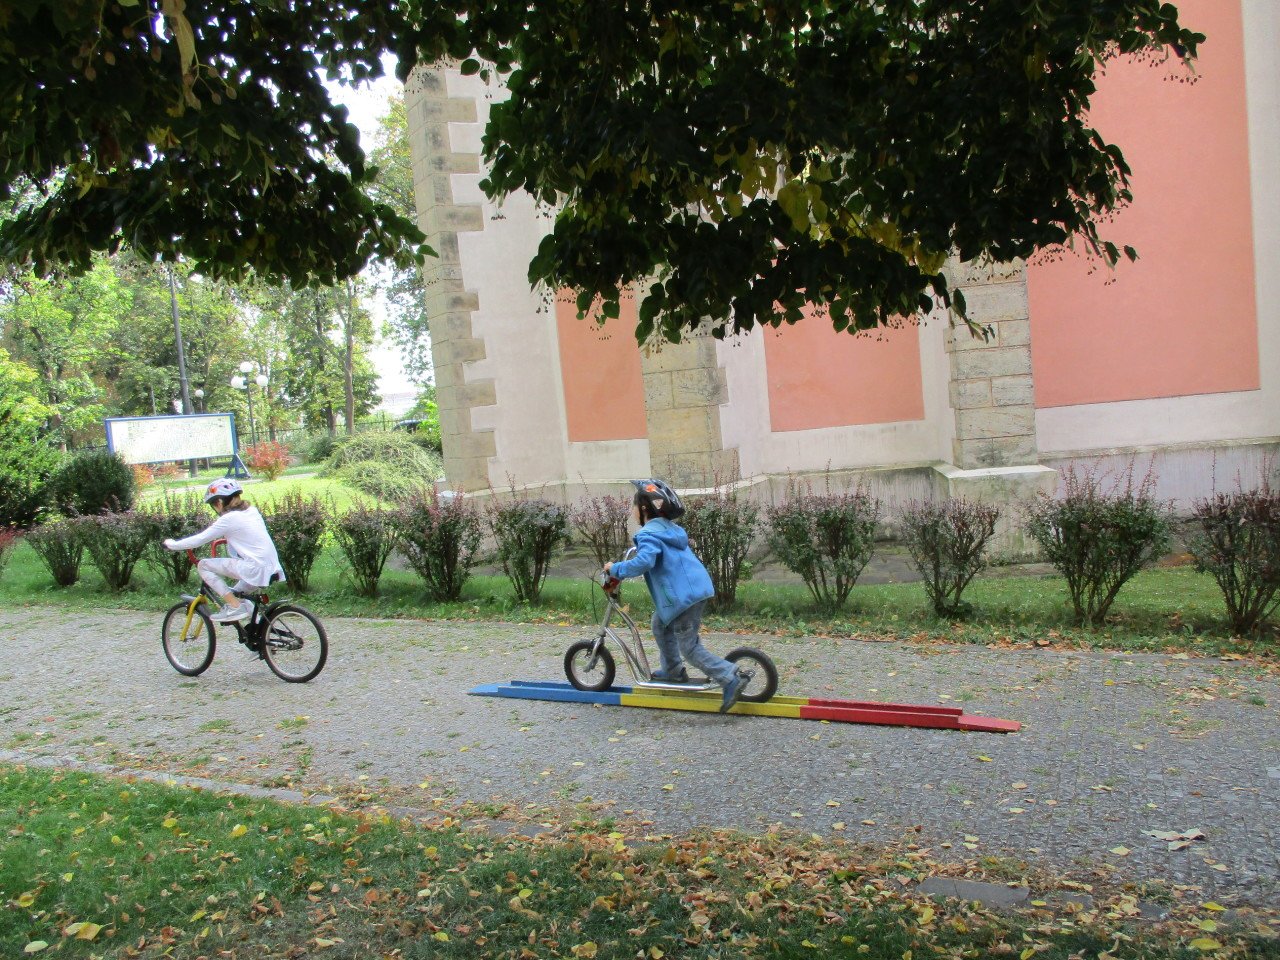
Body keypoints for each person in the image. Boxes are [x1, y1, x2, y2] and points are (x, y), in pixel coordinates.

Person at [604, 479, 747, 713]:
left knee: (689, 647)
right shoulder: (669, 530)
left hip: (682, 598)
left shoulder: (648, 533)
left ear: (643, 509)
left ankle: (729, 677)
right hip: (693, 591)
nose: (631, 511)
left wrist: (616, 568)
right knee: (660, 624)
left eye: (633, 505)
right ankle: (673, 671)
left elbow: (645, 562)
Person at [163, 478, 285, 624]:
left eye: (214, 504)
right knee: (237, 594)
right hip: (271, 567)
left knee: (203, 565)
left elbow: (199, 539)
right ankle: (261, 629)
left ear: (219, 502)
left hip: (254, 568)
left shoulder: (228, 519)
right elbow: (247, 535)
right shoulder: (251, 511)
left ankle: (235, 607)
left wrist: (172, 545)